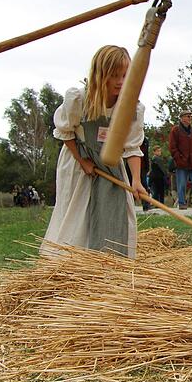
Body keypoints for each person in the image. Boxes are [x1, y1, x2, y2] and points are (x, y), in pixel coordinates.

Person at [42, 45, 145, 259]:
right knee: (78, 213)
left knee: (116, 213)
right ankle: (71, 262)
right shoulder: (80, 100)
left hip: (111, 167)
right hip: (80, 164)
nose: (120, 81)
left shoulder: (131, 108)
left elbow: (133, 146)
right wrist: (83, 161)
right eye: (114, 75)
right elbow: (65, 132)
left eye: (125, 75)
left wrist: (136, 179)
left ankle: (111, 262)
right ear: (100, 74)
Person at [169, 111, 192, 209]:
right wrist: (178, 159)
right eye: (188, 116)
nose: (190, 118)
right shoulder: (175, 130)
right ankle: (182, 202)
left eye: (191, 116)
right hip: (182, 162)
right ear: (182, 118)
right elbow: (172, 147)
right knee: (181, 183)